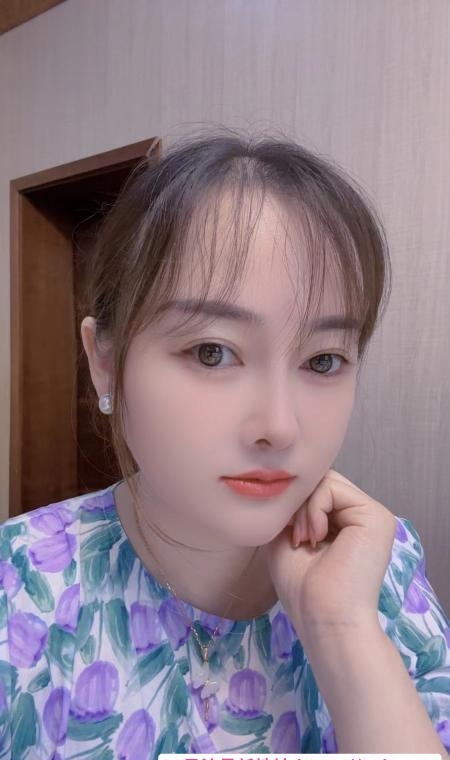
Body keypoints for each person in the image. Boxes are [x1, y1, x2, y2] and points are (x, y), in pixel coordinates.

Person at [0, 131, 449, 759]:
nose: (280, 427)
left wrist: (343, 629)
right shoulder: (20, 585)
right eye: (212, 352)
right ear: (105, 362)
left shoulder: (382, 565)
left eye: (323, 360)